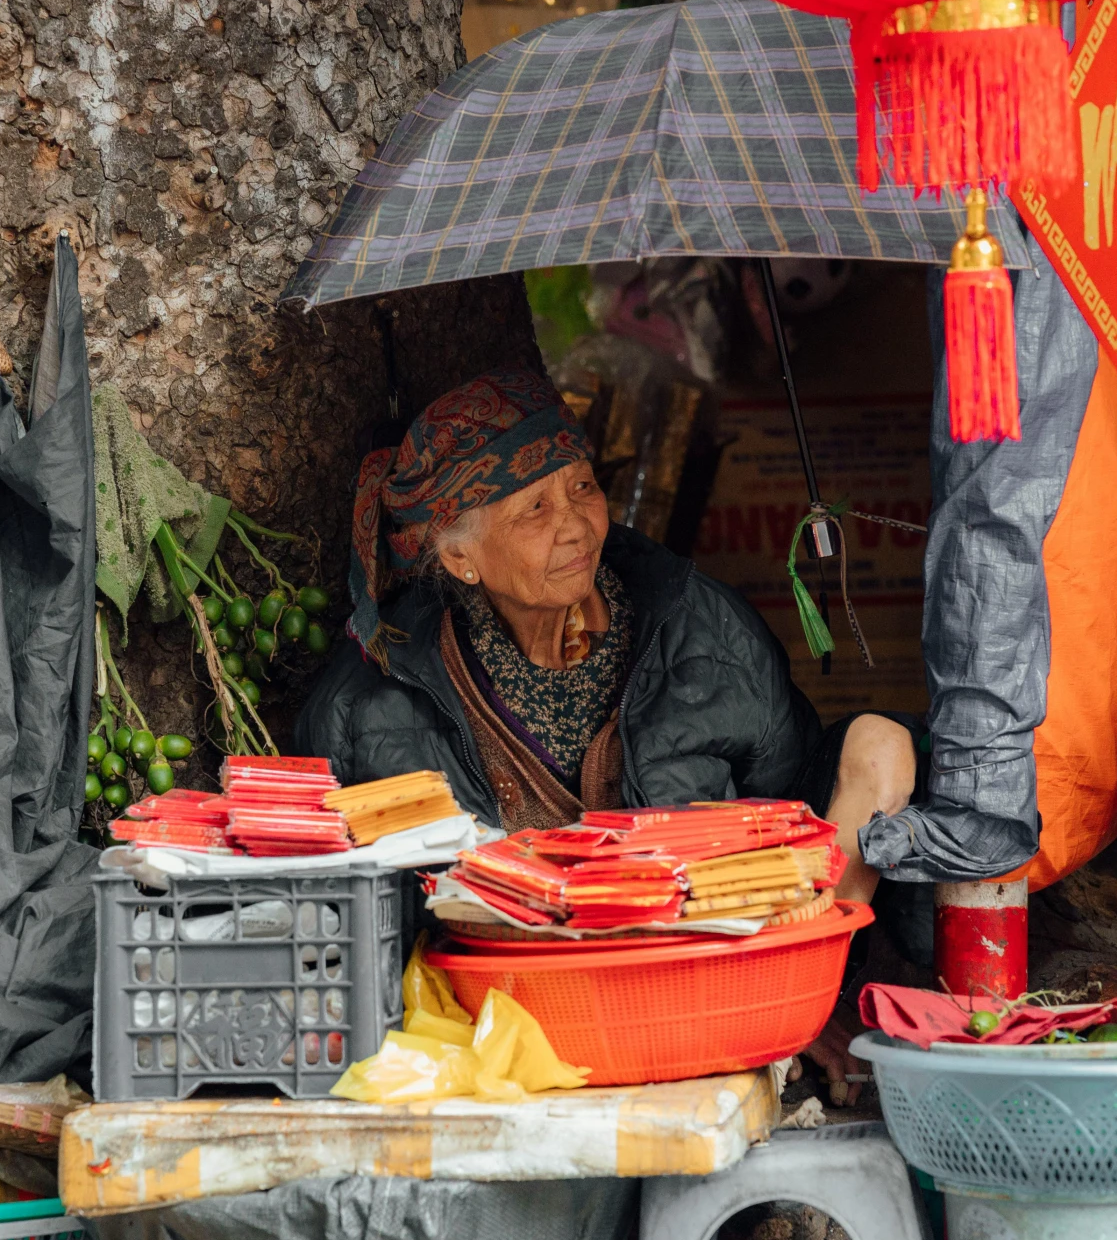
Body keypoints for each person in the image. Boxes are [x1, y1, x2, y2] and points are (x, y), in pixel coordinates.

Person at [297, 368, 917, 907]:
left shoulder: (703, 626)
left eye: (583, 487)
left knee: (880, 742)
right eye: (534, 509)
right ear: (461, 556)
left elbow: (794, 801)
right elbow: (331, 894)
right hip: (502, 996)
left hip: (704, 958)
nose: (575, 526)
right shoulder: (368, 700)